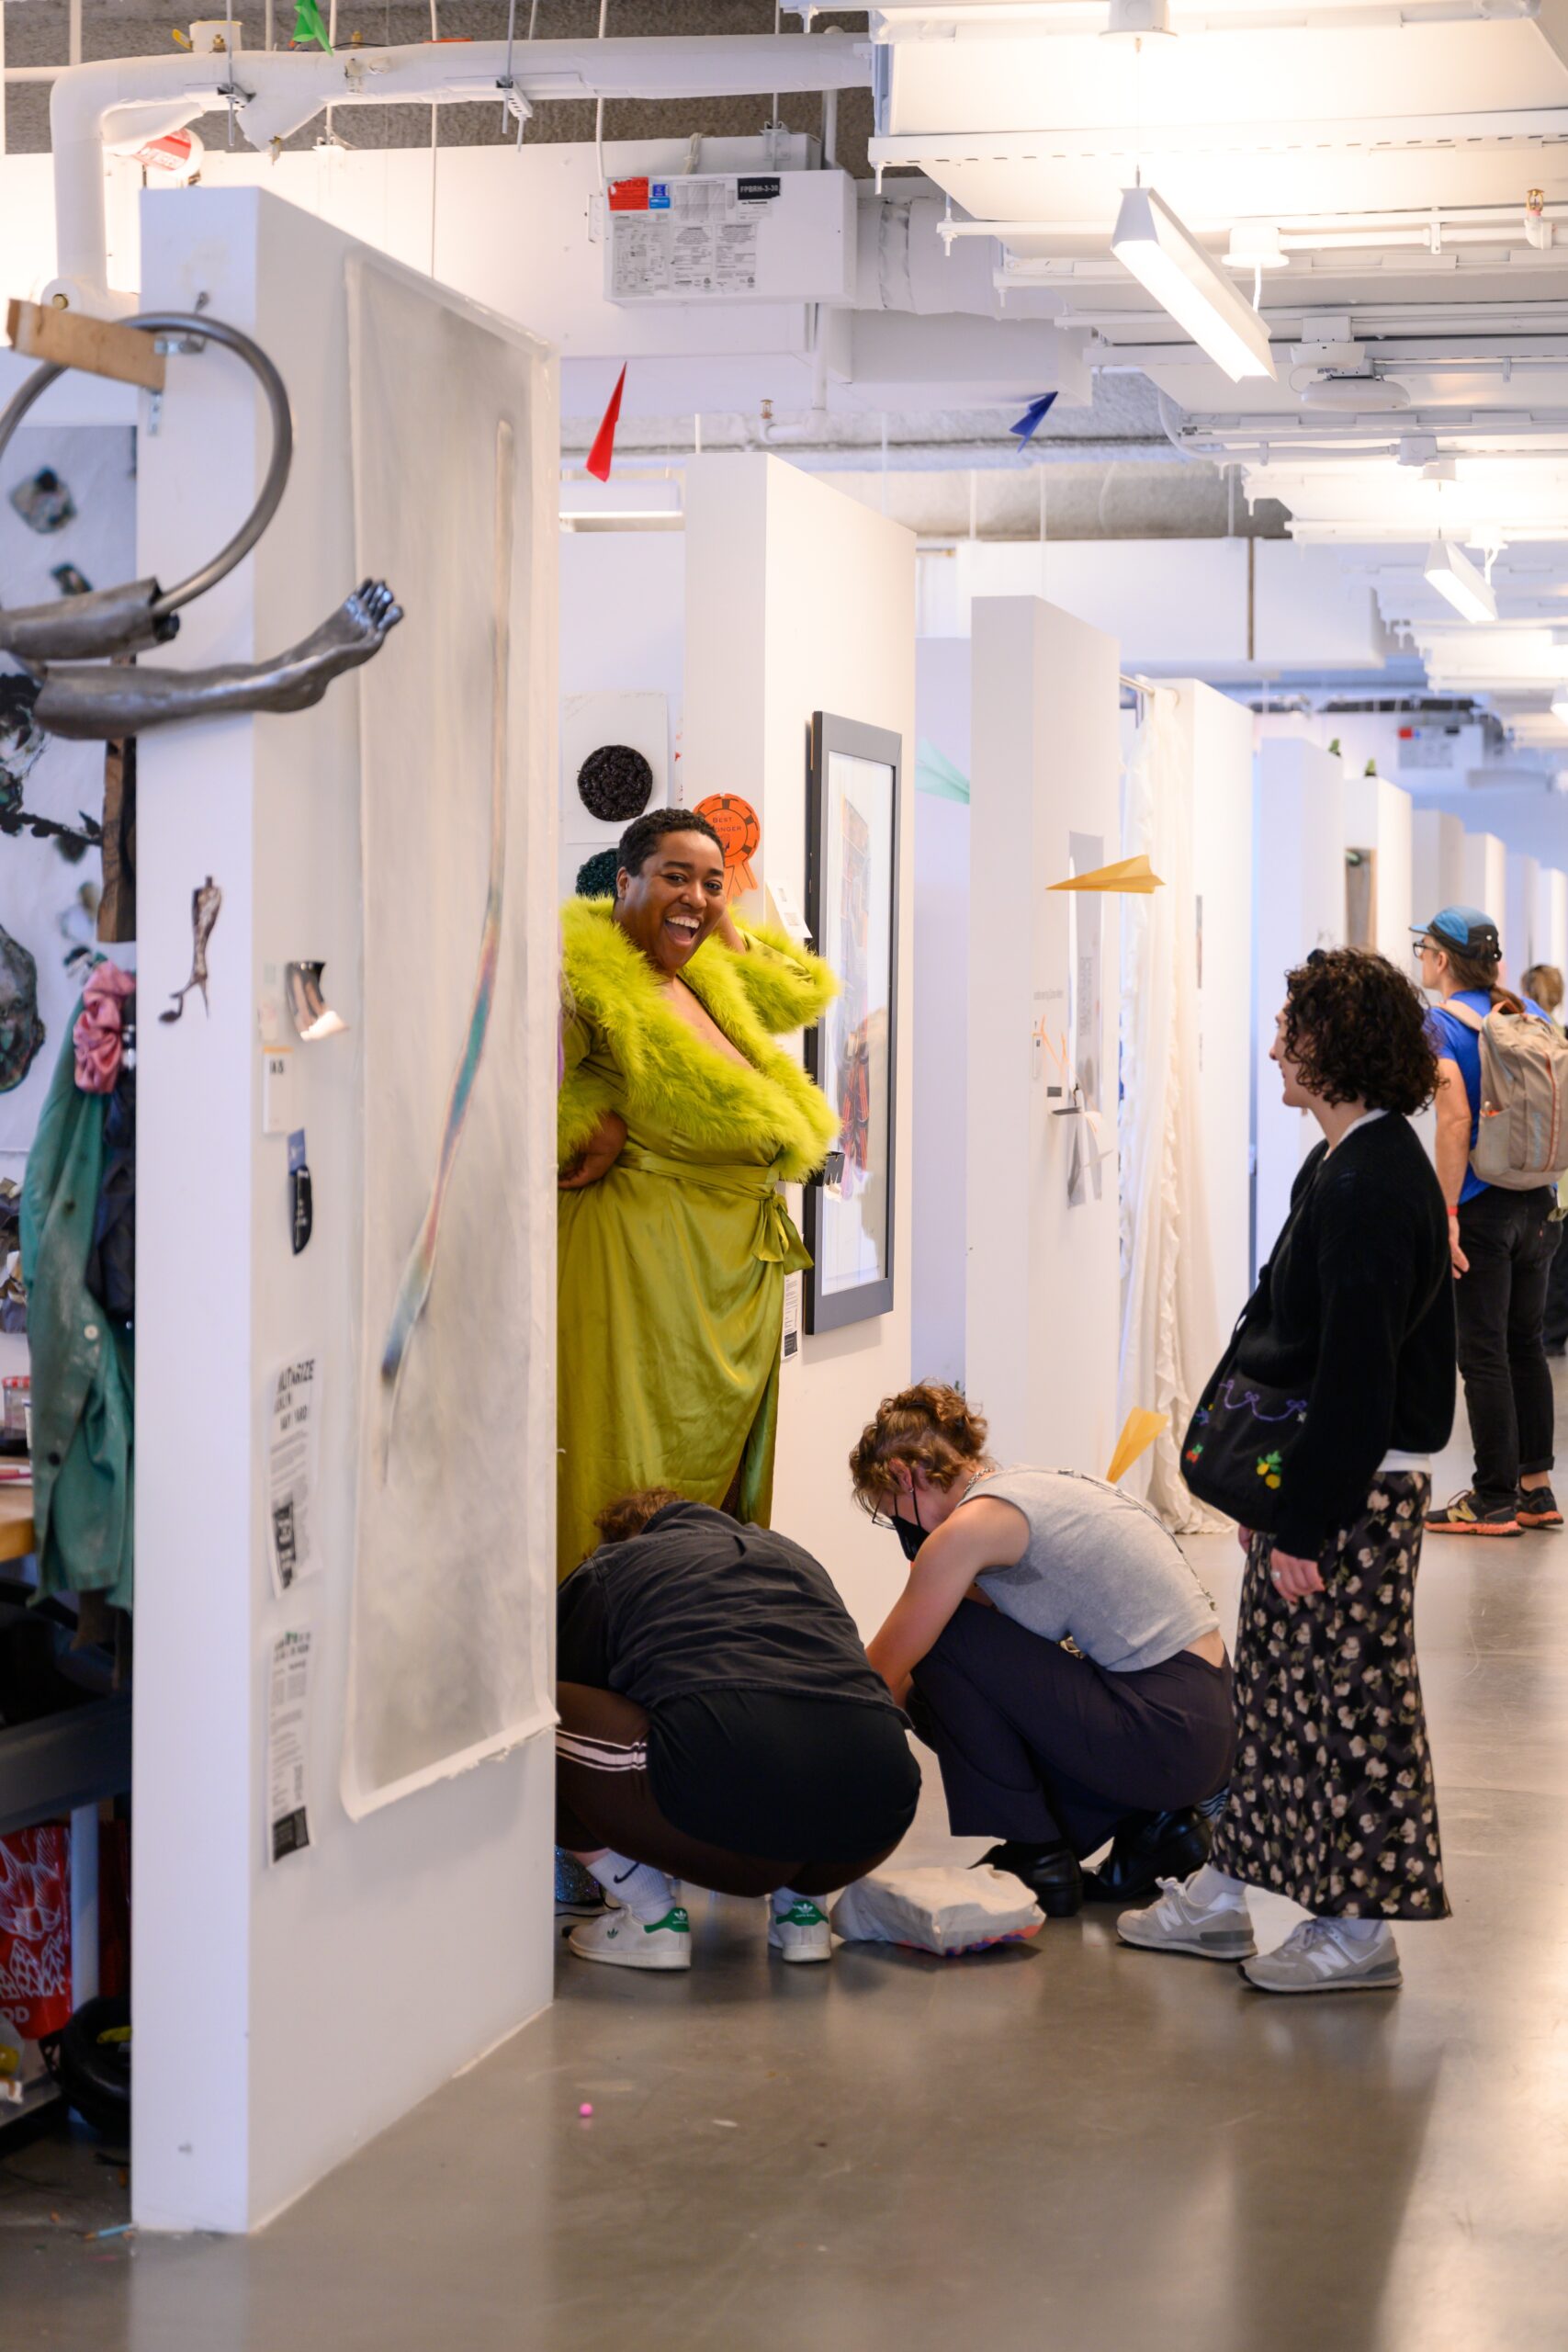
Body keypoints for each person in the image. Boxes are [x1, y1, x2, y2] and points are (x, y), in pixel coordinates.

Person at [1121, 948, 1454, 1993]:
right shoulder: (1347, 1159)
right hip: (1319, 1481)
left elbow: (1358, 1374)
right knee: (1277, 1702)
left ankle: (1358, 1928)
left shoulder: (1367, 1178)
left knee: (1353, 1706)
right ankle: (1232, 1889)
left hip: (1350, 1492)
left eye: (1291, 1029)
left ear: (1336, 1046)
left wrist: (1306, 1521)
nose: (1274, 1045)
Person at [556, 808, 840, 1576]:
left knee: (708, 1494)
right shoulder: (584, 974)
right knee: (628, 1468)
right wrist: (590, 1120)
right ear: (624, 881)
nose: (696, 895)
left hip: (727, 1279)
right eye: (673, 877)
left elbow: (800, 992)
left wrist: (716, 924)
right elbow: (508, 1102)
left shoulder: (700, 973)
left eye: (712, 882)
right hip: (640, 1271)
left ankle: (692, 1646)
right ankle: (601, 1649)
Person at [846, 1384, 1235, 1919]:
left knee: (943, 1643)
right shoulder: (1029, 1488)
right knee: (945, 1665)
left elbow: (880, 1676)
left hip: (1163, 1733)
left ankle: (1038, 1854)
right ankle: (1156, 1827)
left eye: (890, 1509)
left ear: (904, 1476)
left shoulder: (966, 1531)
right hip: (1202, 1723)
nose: (899, 1525)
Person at [555, 1491, 920, 1971]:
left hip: (726, 1806)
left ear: (623, 1536)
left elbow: (580, 1680)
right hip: (878, 1809)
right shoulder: (797, 1559)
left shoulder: (615, 1564)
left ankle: (651, 1920)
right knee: (800, 1727)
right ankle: (802, 1911)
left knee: (541, 1709)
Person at [1417, 908, 1561, 1534]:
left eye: (1424, 948)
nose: (1420, 957)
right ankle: (1536, 1487)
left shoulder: (1440, 1026)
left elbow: (1451, 1123)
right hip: (1537, 1200)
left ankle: (1492, 1496)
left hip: (1478, 1204)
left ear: (1442, 960)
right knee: (1524, 1343)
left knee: (1481, 1354)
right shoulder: (1531, 1015)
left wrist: (1445, 1211)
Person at [1519, 963, 1568, 1360]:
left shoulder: (1528, 1041)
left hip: (1540, 1164)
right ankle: (1553, 1334)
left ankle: (1549, 1335)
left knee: (1547, 1255)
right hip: (1563, 1164)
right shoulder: (1563, 1039)